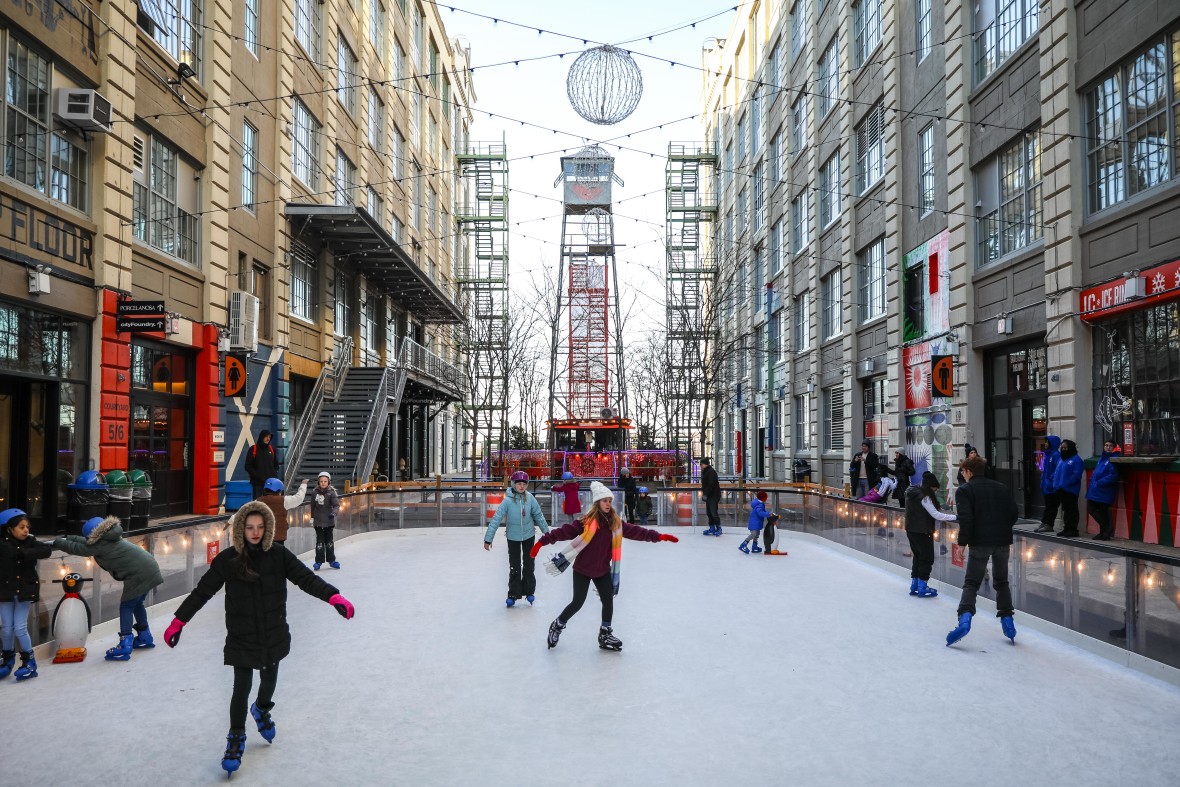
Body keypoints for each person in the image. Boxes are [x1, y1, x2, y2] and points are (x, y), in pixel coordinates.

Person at [162, 501, 355, 775]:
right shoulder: (228, 559)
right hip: (242, 635)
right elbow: (202, 592)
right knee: (240, 688)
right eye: (250, 527)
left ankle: (262, 709)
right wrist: (179, 621)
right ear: (241, 529)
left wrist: (334, 596)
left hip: (272, 631)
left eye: (260, 527)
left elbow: (306, 579)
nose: (255, 532)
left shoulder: (278, 555)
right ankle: (236, 737)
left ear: (267, 529)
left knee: (269, 681)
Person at [530, 481, 677, 650]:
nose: (608, 503)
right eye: (604, 500)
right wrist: (541, 542)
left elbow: (639, 532)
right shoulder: (586, 522)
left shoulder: (616, 524)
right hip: (583, 569)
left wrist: (659, 536)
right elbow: (565, 531)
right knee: (577, 602)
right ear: (598, 502)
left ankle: (605, 634)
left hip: (602, 571)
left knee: (608, 601)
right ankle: (557, 625)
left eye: (609, 500)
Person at [53, 515, 163, 661]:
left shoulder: (100, 544)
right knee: (136, 604)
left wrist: (58, 542)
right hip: (149, 567)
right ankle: (144, 636)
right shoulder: (110, 536)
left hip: (138, 574)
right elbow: (86, 543)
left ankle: (125, 644)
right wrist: (70, 537)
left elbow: (79, 548)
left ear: (94, 536)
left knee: (126, 607)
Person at [946, 456, 1020, 646]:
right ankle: (1008, 622)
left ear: (969, 472)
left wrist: (961, 545)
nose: (962, 475)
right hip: (1002, 541)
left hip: (980, 542)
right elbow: (1013, 514)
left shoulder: (965, 490)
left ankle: (964, 621)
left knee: (971, 582)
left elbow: (966, 520)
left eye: (962, 472)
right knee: (1001, 581)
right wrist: (1001, 529)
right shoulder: (1001, 488)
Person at [0, 509, 53, 681]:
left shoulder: (30, 542)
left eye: (27, 527)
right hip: (5, 591)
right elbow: (7, 553)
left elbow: (46, 550)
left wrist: (25, 553)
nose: (26, 530)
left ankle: (29, 661)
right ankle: (7, 659)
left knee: (20, 627)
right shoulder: (2, 544)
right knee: (7, 628)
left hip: (24, 591)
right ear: (9, 529)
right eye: (21, 527)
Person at [484, 470, 550, 606]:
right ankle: (513, 594)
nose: (521, 486)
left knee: (529, 564)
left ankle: (529, 591)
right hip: (513, 537)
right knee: (515, 566)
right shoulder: (507, 501)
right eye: (518, 483)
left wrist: (546, 532)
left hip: (529, 535)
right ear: (513, 484)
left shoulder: (530, 498)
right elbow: (496, 519)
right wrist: (488, 539)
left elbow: (538, 514)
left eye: (524, 484)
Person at [904, 472, 957, 598]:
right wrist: (955, 517)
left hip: (911, 530)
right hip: (923, 531)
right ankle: (922, 586)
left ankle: (914, 585)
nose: (935, 492)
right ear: (930, 486)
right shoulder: (925, 497)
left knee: (917, 557)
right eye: (934, 489)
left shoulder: (912, 493)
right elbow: (936, 514)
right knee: (926, 558)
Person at [257, 477, 307, 548]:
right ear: (279, 490)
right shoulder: (283, 500)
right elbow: (299, 498)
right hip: (278, 536)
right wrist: (303, 484)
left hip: (262, 537)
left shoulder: (258, 501)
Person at [1086, 441, 1121, 540]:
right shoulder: (1102, 458)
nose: (1108, 447)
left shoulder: (1113, 459)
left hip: (1104, 490)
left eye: (1110, 446)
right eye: (1106, 445)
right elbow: (1097, 472)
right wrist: (1092, 480)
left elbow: (1113, 475)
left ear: (1114, 447)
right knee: (1094, 509)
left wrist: (1099, 482)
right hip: (1096, 489)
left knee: (1101, 510)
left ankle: (1106, 531)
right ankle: (1104, 531)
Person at [310, 472, 341, 570]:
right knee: (319, 543)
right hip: (318, 523)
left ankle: (331, 560)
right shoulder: (314, 493)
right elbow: (312, 507)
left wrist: (333, 513)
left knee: (329, 542)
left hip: (329, 522)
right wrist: (312, 517)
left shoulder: (331, 493)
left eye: (325, 481)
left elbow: (336, 505)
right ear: (318, 482)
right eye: (321, 481)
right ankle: (318, 561)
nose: (323, 483)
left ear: (328, 482)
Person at [1054, 439, 1085, 538]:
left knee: (1072, 510)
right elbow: (1057, 473)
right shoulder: (1061, 459)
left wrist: (1065, 483)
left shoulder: (1077, 460)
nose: (1063, 449)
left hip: (1071, 490)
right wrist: (1056, 484)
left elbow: (1076, 475)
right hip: (1061, 488)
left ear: (1071, 448)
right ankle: (1066, 528)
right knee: (1066, 510)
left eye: (1065, 447)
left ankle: (1073, 529)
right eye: (1062, 447)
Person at [1034, 436, 1062, 533]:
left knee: (1052, 506)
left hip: (1052, 487)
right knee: (1048, 506)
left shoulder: (1056, 455)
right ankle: (1044, 522)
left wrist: (1050, 481)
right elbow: (1044, 470)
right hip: (1047, 486)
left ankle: (1049, 524)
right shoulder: (1048, 455)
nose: (1045, 444)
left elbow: (1057, 470)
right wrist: (1043, 481)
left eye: (1047, 442)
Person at [244, 430, 280, 500]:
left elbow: (276, 465)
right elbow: (248, 466)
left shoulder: (272, 449)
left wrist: (274, 474)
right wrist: (257, 475)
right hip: (258, 484)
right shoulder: (253, 449)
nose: (268, 439)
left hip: (270, 484)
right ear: (261, 437)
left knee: (269, 504)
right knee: (258, 504)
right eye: (266, 436)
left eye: (269, 437)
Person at [700, 457, 722, 536]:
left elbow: (711, 484)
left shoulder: (711, 472)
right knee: (709, 512)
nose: (700, 466)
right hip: (709, 495)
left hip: (713, 495)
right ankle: (712, 527)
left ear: (705, 464)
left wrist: (706, 494)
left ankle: (718, 528)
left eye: (701, 464)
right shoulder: (705, 471)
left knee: (713, 512)